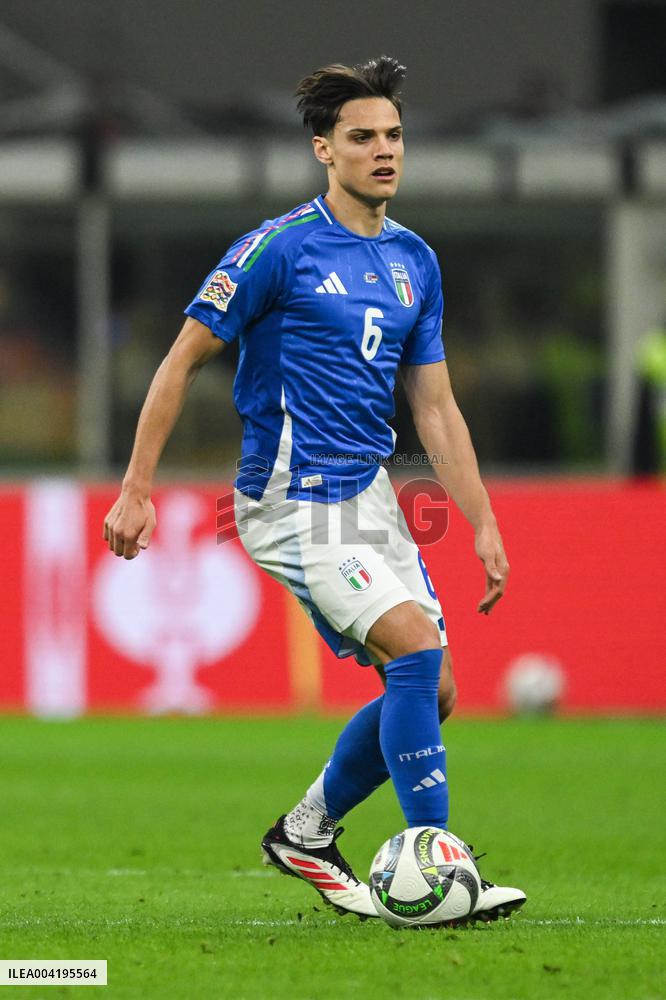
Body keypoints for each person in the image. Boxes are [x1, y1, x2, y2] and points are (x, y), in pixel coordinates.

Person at [104, 56, 526, 924]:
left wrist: (482, 521)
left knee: (434, 687)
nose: (383, 151)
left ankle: (305, 832)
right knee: (412, 654)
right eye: (362, 137)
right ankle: (441, 870)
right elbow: (183, 358)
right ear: (323, 149)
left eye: (394, 136)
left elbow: (436, 409)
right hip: (292, 497)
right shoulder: (278, 248)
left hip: (370, 495)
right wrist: (136, 486)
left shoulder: (415, 260)